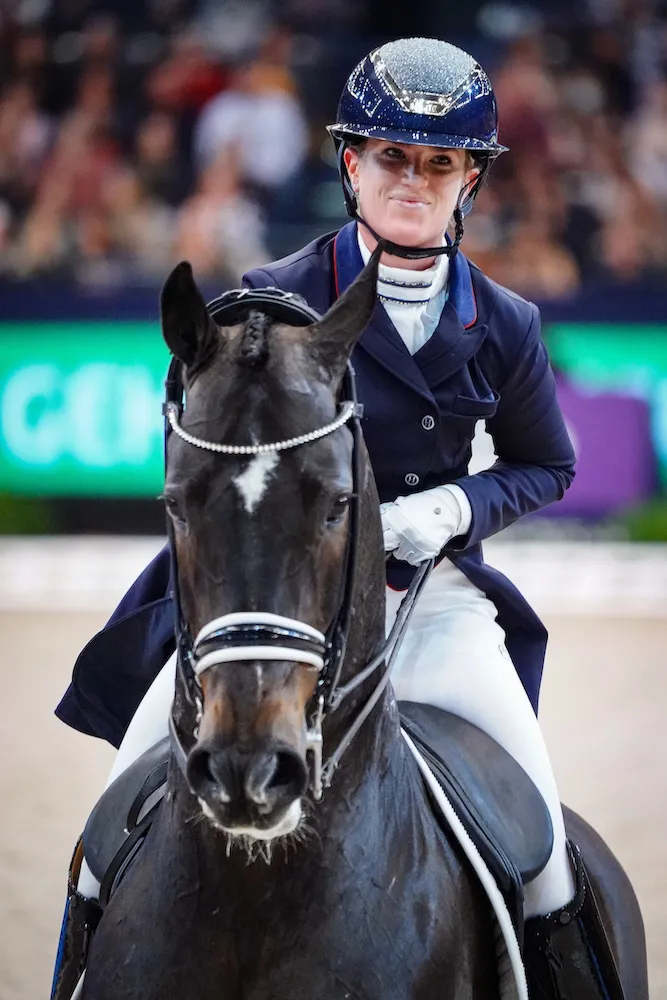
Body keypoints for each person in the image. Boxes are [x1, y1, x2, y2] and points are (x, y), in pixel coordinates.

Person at [55, 38, 625, 1000]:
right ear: (352, 165)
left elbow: (548, 463)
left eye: (439, 162)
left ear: (469, 180)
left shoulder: (507, 323)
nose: (414, 180)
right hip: (270, 598)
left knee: (541, 853)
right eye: (392, 157)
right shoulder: (263, 304)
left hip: (427, 603)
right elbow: (202, 455)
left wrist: (455, 507)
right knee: (109, 837)